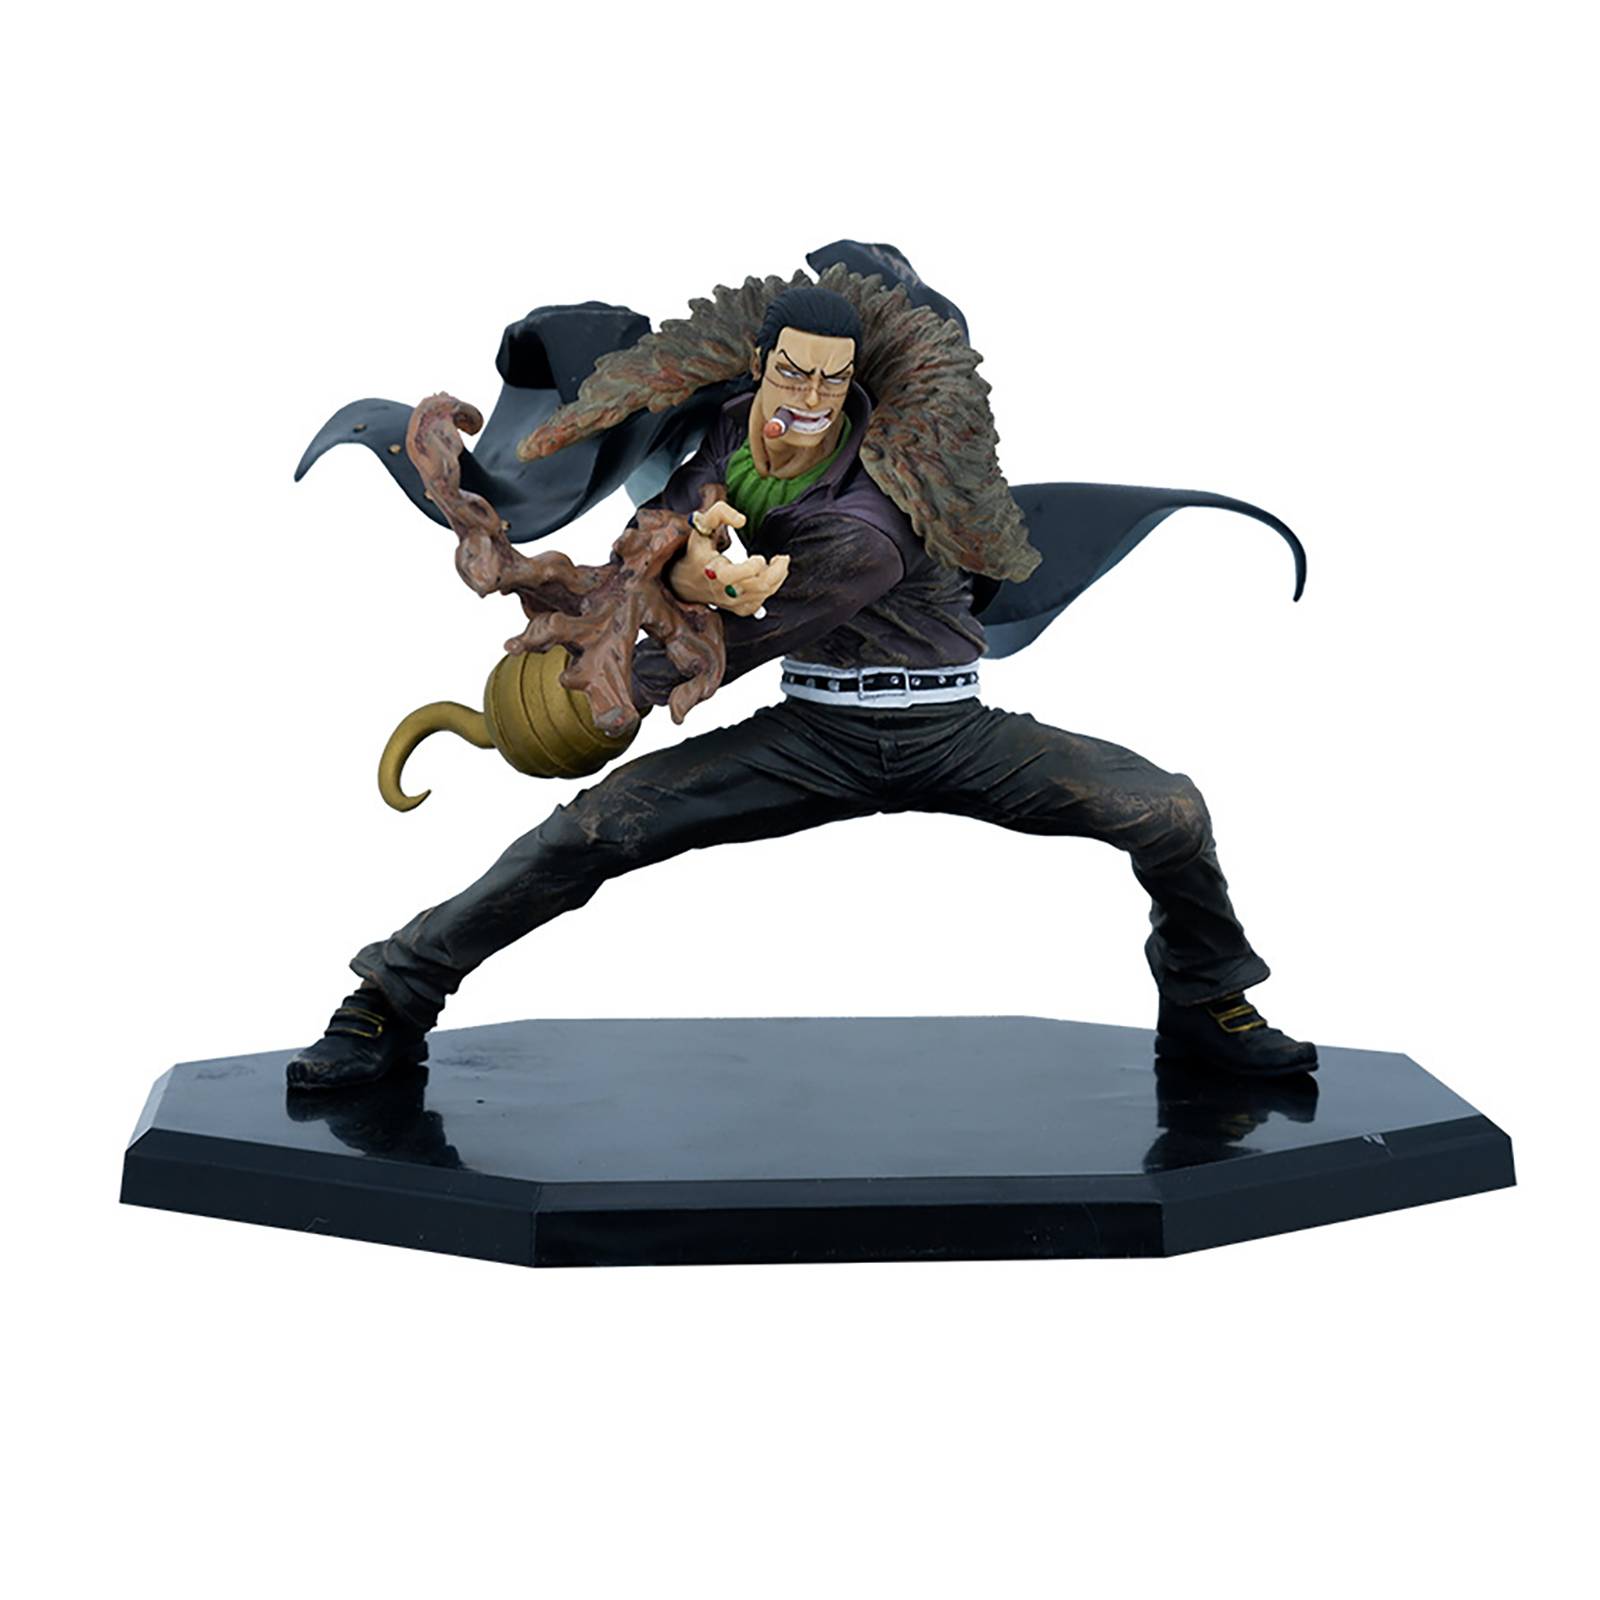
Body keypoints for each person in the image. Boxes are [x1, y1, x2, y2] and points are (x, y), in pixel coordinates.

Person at [288, 281, 1315, 1089]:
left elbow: (742, 636)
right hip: (814, 736)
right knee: (592, 832)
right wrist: (609, 592)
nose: (808, 401)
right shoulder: (737, 429)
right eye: (792, 373)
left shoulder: (878, 509)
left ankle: (1206, 1003)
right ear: (763, 364)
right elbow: (673, 520)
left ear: (857, 383)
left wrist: (604, 690)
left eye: (831, 381)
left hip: (949, 731)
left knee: (1168, 810)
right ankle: (390, 994)